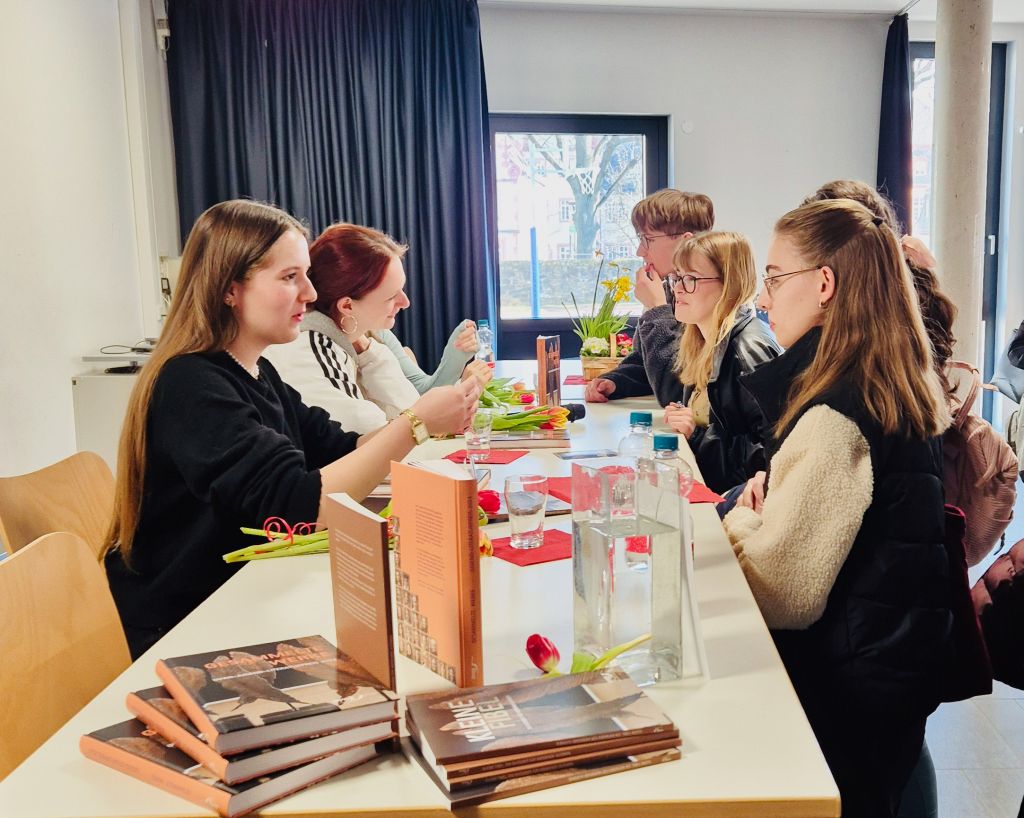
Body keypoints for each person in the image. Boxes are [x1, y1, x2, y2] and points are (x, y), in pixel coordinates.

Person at [102, 201, 479, 658]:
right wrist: (416, 425)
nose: (310, 293)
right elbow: (301, 508)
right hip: (190, 629)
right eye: (290, 277)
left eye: (307, 275)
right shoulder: (192, 384)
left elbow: (342, 449)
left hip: (244, 603)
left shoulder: (259, 373)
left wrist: (426, 420)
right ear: (229, 289)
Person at [726, 199, 952, 817]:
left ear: (824, 284)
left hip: (847, 695)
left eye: (774, 277)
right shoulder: (891, 379)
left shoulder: (837, 411)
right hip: (887, 675)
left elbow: (783, 592)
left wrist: (741, 520)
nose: (765, 300)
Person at [264, 223, 490, 434]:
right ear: (347, 305)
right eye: (391, 296)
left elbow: (407, 408)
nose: (405, 302)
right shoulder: (310, 346)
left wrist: (368, 351)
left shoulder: (350, 340)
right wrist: (422, 425)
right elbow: (366, 429)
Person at [654, 232, 779, 493]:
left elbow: (772, 459)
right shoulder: (702, 341)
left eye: (691, 279)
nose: (677, 288)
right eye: (677, 277)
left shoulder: (747, 351)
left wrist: (697, 436)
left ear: (729, 284)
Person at [584, 189, 714, 403]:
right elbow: (648, 365)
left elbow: (676, 392)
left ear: (684, 242)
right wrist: (616, 381)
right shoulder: (669, 287)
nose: (639, 251)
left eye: (648, 239)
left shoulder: (713, 296)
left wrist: (656, 309)